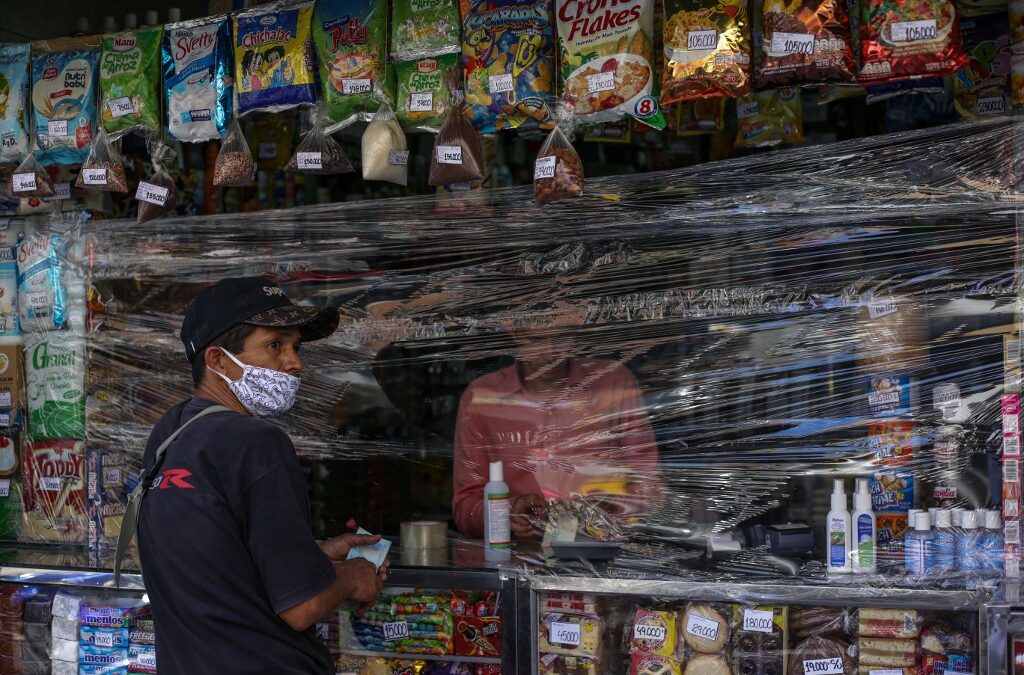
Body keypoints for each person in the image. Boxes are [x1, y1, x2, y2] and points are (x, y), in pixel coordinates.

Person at [136, 277, 387, 674]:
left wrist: (313, 556)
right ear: (218, 360)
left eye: (295, 347)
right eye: (276, 345)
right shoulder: (256, 442)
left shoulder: (168, 434)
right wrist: (355, 576)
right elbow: (300, 608)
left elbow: (218, 564)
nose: (295, 362)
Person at [452, 309, 662, 540]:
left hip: (604, 555)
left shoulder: (614, 385)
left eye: (561, 338)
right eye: (536, 340)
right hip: (518, 560)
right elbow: (465, 508)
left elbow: (648, 483)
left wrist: (611, 505)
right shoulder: (482, 400)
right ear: (514, 332)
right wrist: (508, 513)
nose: (551, 352)